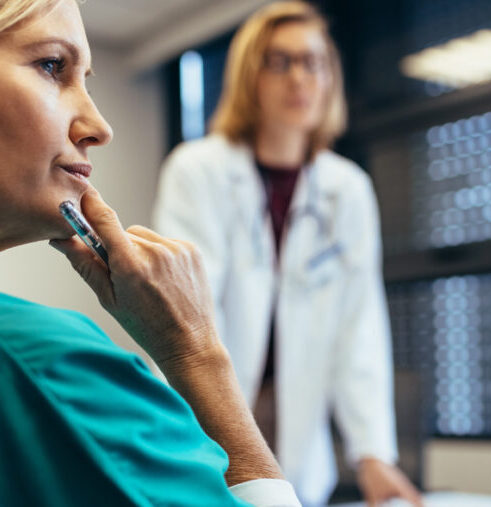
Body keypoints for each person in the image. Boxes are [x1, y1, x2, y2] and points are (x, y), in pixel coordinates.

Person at [0, 0, 302, 505]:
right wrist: (198, 354)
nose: (100, 126)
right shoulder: (48, 364)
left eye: (89, 81)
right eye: (53, 65)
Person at [153, 2, 422, 506]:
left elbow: (358, 325)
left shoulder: (348, 189)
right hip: (214, 407)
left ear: (330, 78)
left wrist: (372, 455)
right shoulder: (197, 171)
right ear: (249, 75)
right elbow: (184, 307)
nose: (299, 77)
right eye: (280, 61)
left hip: (300, 430)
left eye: (313, 62)